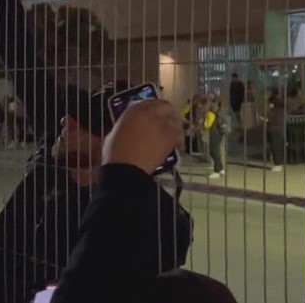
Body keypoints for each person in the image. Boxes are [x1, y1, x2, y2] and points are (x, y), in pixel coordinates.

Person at [0, 0, 191, 303]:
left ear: (113, 144)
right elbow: (17, 49)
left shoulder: (155, 221)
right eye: (67, 115)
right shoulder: (54, 158)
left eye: (82, 121)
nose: (65, 124)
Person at [52, 99, 237, 303]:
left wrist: (121, 177)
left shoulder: (148, 218)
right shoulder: (51, 186)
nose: (66, 122)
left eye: (87, 121)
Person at [207, 98, 230, 179]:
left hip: (215, 132)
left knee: (213, 151)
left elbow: (207, 124)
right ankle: (220, 168)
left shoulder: (215, 113)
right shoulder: (218, 112)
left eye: (212, 103)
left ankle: (217, 171)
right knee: (215, 151)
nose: (210, 105)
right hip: (217, 131)